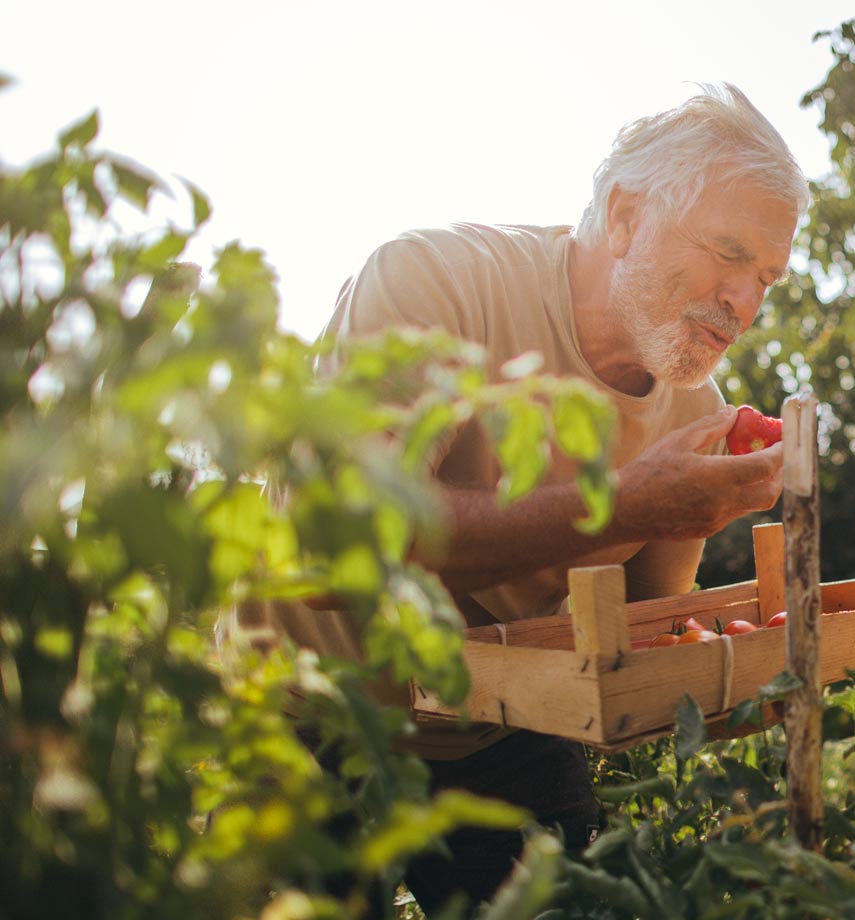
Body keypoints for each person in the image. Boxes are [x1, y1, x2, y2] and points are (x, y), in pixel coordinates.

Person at [231, 83, 807, 916]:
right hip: (306, 706)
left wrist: (714, 650)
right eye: (727, 251)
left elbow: (643, 623)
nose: (745, 303)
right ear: (623, 216)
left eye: (769, 278)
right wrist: (630, 506)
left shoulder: (698, 409)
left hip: (502, 728)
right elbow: (338, 549)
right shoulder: (433, 282)